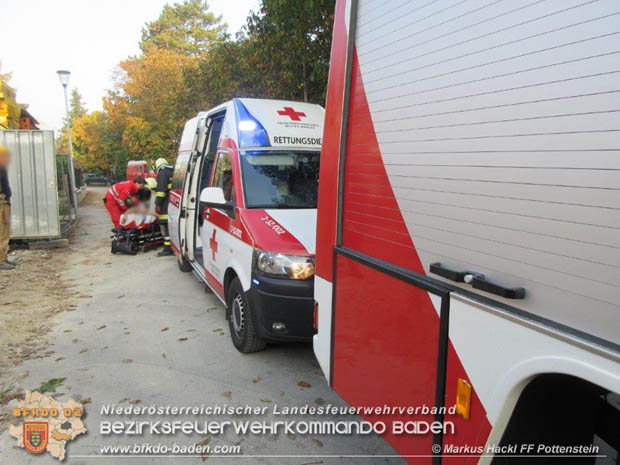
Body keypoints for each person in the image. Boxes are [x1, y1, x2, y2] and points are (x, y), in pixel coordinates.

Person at [154, 157, 173, 257]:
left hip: (166, 205)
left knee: (166, 228)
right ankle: (173, 248)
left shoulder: (162, 173)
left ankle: (167, 249)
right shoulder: (173, 171)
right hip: (174, 202)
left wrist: (157, 203)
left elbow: (161, 191)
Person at [0, 145, 14, 270]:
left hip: (3, 201)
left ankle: (3, 258)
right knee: (3, 232)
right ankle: (1, 261)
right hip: (1, 203)